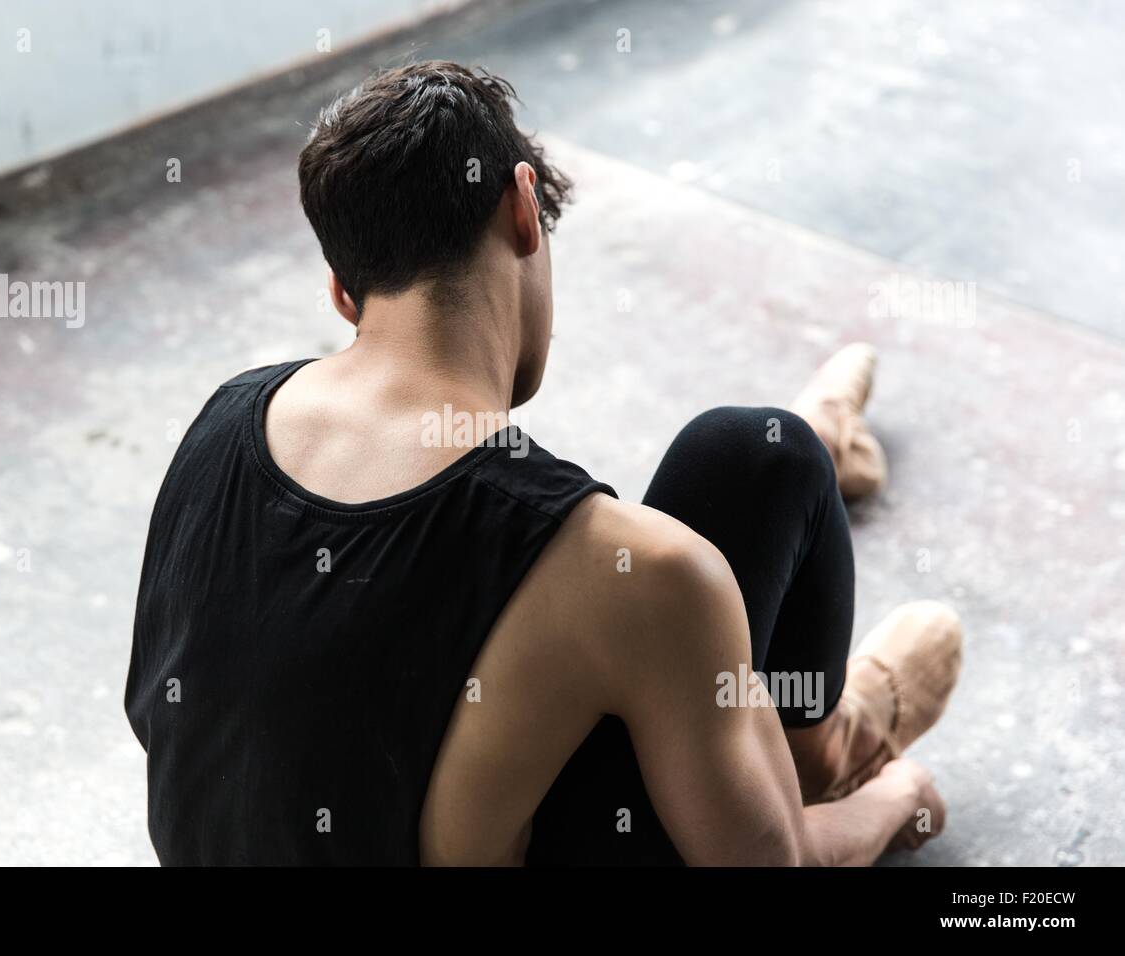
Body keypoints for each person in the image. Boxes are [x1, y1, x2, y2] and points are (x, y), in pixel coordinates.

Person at [124, 61, 962, 866]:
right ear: (524, 207)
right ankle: (837, 740)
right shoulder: (631, 572)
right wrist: (901, 803)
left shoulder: (224, 419)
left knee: (755, 460)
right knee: (754, 457)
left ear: (345, 292)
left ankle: (819, 435)